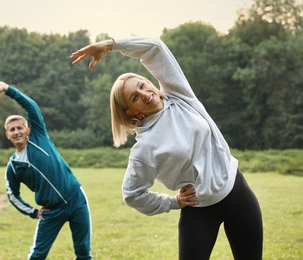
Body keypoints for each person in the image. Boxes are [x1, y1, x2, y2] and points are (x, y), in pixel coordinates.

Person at [70, 38, 263, 259]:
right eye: (135, 97)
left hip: (238, 192)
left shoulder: (179, 95)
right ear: (131, 112)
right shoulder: (144, 148)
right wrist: (172, 202)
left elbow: (155, 48)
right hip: (200, 211)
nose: (144, 94)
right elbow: (132, 194)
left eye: (142, 85)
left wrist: (109, 45)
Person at [0, 81, 92, 260]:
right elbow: (12, 195)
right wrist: (33, 212)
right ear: (7, 135)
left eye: (20, 128)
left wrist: (8, 90)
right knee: (37, 255)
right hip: (51, 211)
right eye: (12, 130)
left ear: (28, 130)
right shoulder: (13, 166)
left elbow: (31, 105)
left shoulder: (39, 137)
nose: (16, 131)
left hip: (77, 199)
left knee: (83, 252)